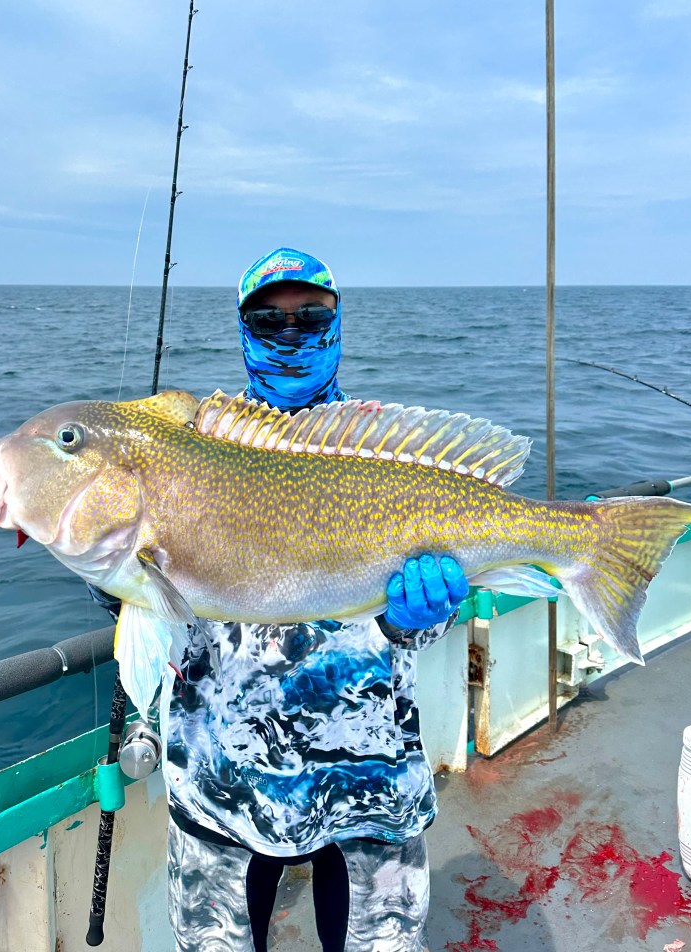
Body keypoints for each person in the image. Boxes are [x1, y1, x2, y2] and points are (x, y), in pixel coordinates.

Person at [160, 247, 469, 952]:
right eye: (269, 319)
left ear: (337, 322)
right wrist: (104, 567)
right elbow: (148, 608)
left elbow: (411, 624)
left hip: (367, 774)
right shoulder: (190, 446)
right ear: (243, 331)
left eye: (311, 316)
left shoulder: (388, 454)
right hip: (223, 780)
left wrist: (415, 616)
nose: (291, 332)